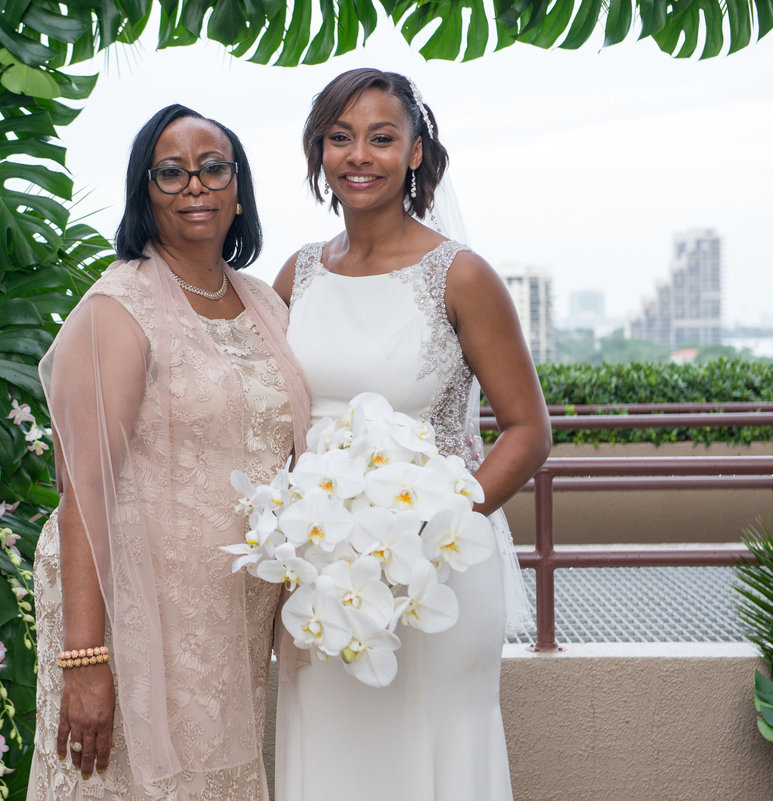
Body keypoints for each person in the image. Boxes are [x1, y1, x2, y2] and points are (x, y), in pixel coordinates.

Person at [272, 68, 552, 801]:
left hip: (437, 569)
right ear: (319, 153)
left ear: (416, 153)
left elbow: (529, 429)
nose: (358, 154)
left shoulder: (460, 275)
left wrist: (438, 523)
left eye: (381, 137)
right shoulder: (295, 275)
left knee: (437, 752)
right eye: (340, 138)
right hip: (323, 570)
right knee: (328, 751)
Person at [29, 104, 311, 801]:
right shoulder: (118, 307)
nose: (195, 184)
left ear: (238, 190)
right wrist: (86, 660)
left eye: (214, 167)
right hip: (130, 616)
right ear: (144, 192)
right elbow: (83, 492)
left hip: (226, 620)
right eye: (171, 171)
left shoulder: (265, 306)